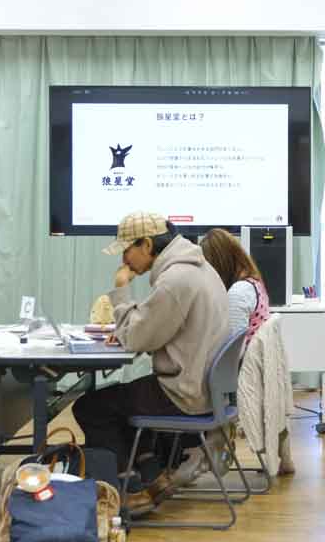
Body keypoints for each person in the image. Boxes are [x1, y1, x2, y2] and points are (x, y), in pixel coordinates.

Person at [70, 212, 228, 513]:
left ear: (146, 245)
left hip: (183, 392)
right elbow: (156, 327)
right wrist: (137, 327)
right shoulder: (197, 267)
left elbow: (136, 340)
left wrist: (120, 290)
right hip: (202, 386)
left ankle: (126, 493)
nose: (125, 260)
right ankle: (152, 476)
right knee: (124, 398)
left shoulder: (175, 280)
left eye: (127, 251)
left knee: (92, 407)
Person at [199, 228, 271, 347]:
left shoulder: (239, 293)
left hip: (241, 364)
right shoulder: (253, 283)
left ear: (219, 266)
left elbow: (233, 350)